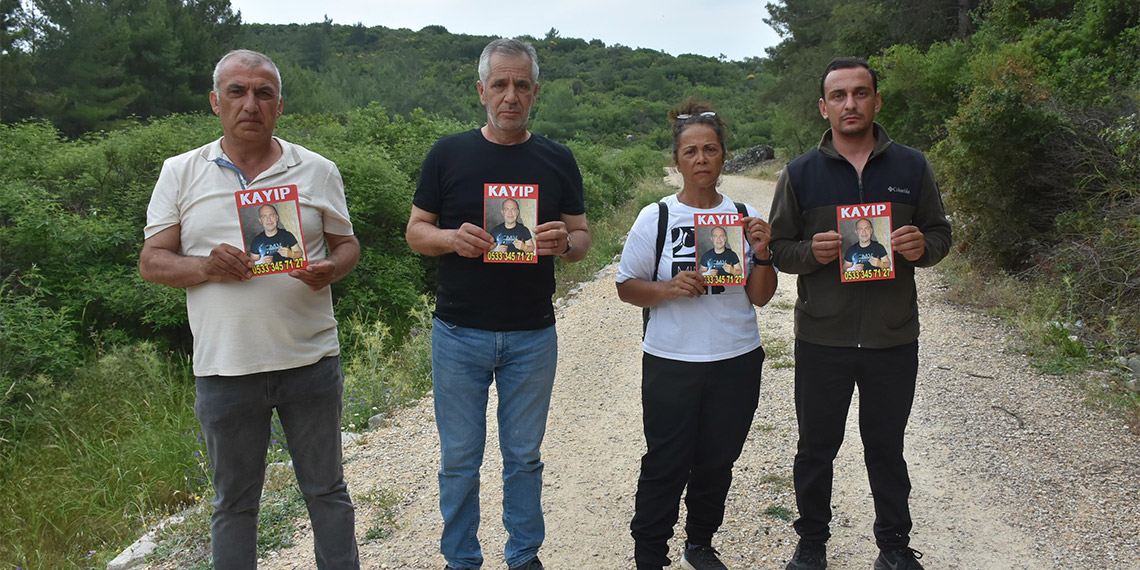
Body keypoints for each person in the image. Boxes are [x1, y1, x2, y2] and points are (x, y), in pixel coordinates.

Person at [138, 49, 361, 570]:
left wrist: (333, 267)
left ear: (279, 105)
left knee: (327, 493)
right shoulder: (180, 172)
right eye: (237, 92)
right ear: (216, 102)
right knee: (233, 506)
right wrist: (205, 268)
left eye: (263, 93)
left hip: (309, 362)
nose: (250, 104)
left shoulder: (317, 170)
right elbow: (152, 262)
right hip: (225, 369)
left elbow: (347, 245)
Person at [405, 37, 591, 570]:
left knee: (524, 457)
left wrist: (564, 244)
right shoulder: (448, 153)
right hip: (458, 332)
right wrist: (450, 239)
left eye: (522, 85)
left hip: (533, 333)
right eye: (501, 84)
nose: (511, 95)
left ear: (536, 92)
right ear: (482, 89)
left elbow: (581, 238)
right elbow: (415, 231)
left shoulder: (557, 159)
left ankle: (523, 555)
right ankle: (462, 559)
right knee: (459, 459)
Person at [768, 57, 952, 570]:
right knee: (815, 447)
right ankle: (812, 544)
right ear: (823, 107)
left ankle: (893, 546)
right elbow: (779, 249)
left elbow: (941, 236)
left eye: (861, 93)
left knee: (886, 447)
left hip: (893, 336)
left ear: (876, 99)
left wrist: (921, 246)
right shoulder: (800, 173)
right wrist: (813, 253)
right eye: (840, 96)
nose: (851, 104)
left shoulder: (912, 166)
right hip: (822, 336)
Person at [615, 101, 778, 570]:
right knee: (665, 463)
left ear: (724, 156)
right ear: (677, 161)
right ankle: (650, 555)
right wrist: (666, 289)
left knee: (716, 462)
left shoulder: (744, 217)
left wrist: (763, 253)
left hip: (737, 357)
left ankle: (700, 544)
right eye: (691, 151)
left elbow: (761, 297)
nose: (701, 158)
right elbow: (627, 287)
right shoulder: (657, 217)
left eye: (710, 149)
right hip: (671, 360)